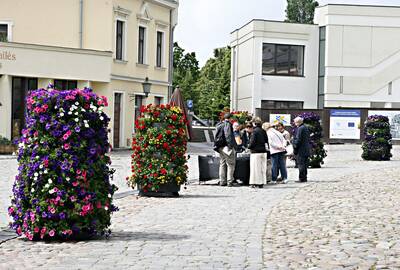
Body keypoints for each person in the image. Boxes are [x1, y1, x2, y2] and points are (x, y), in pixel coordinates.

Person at [214, 113, 237, 187]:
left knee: (222, 163)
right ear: (230, 118)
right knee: (231, 164)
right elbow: (228, 135)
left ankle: (222, 181)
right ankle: (230, 181)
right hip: (227, 147)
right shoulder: (228, 124)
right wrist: (230, 146)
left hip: (220, 147)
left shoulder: (219, 124)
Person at [247, 117, 268, 188]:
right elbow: (266, 140)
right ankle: (261, 182)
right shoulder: (263, 131)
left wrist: (249, 146)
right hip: (263, 151)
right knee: (262, 168)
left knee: (254, 169)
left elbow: (252, 142)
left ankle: (254, 182)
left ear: (254, 123)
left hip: (256, 152)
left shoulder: (254, 131)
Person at [293, 117, 311, 182]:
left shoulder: (300, 128)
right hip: (306, 149)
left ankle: (302, 178)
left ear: (298, 122)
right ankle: (304, 177)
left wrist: (295, 146)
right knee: (305, 165)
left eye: (295, 122)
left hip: (301, 150)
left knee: (301, 164)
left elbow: (298, 140)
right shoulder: (305, 127)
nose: (294, 124)